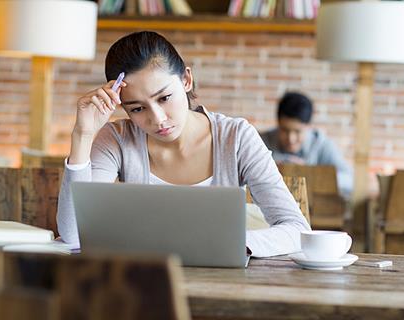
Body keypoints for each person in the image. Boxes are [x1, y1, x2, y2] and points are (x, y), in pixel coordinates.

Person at [57, 31, 310, 258]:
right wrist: (83, 134)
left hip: (225, 284)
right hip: (143, 285)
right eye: (137, 108)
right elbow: (75, 235)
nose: (158, 119)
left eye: (164, 97)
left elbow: (297, 229)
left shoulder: (236, 137)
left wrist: (232, 243)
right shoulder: (117, 138)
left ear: (186, 80)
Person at [259, 92, 353, 197]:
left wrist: (310, 173)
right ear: (278, 123)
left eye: (298, 131)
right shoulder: (260, 142)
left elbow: (350, 181)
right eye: (285, 130)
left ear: (309, 126)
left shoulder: (322, 145)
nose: (291, 139)